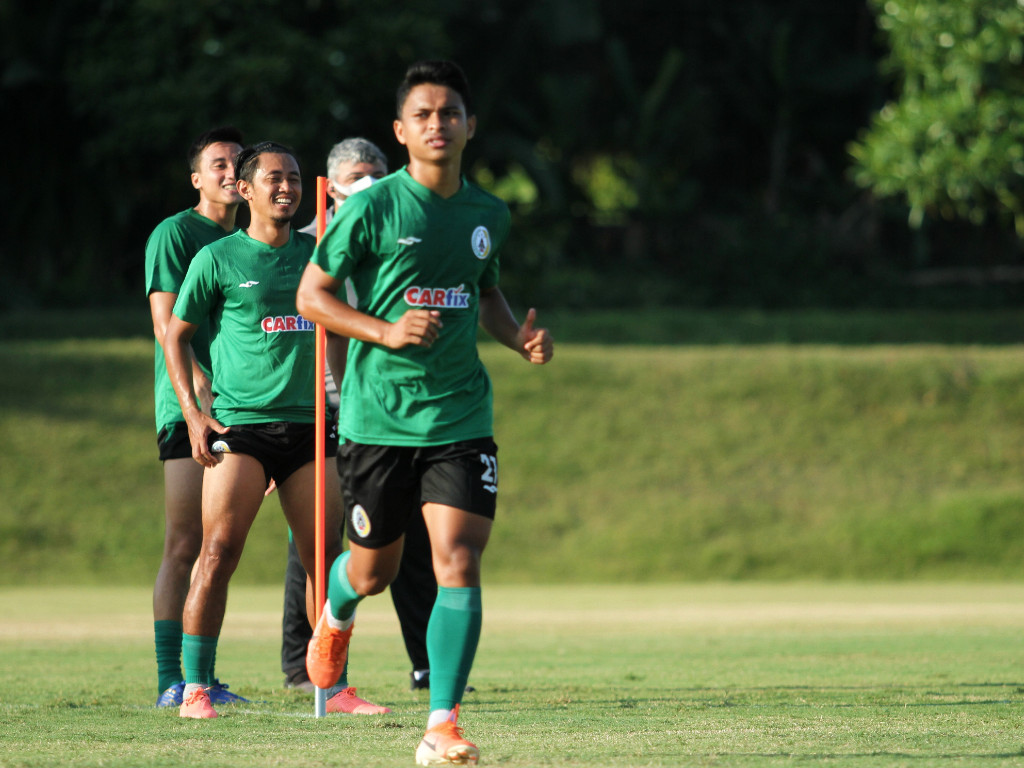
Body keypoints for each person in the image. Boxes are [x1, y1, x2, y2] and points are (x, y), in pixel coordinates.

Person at [296, 61, 553, 765]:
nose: (438, 125)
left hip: (462, 419)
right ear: (401, 131)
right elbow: (311, 298)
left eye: (450, 113)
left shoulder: (488, 215)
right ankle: (339, 610)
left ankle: (442, 723)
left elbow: (487, 293)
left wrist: (519, 338)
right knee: (374, 571)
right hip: (379, 423)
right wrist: (385, 330)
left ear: (470, 126)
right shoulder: (370, 210)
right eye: (424, 115)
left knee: (459, 562)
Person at [163, 141, 389, 719]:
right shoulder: (218, 258)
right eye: (273, 178)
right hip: (242, 429)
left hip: (314, 430)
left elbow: (336, 330)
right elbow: (176, 335)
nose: (286, 186)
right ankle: (194, 689)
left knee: (324, 559)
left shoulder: (317, 254)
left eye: (293, 177)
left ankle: (334, 689)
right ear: (245, 189)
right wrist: (194, 413)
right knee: (217, 552)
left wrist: (353, 411)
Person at [280, 137, 440, 693]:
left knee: (408, 534)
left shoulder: (403, 235)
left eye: (376, 172)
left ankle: (427, 662)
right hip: (320, 404)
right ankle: (304, 666)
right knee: (315, 538)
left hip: (386, 403)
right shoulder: (305, 243)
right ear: (332, 184)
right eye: (356, 174)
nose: (367, 183)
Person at [144, 126, 249, 709]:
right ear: (197, 178)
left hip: (242, 410)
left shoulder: (249, 241)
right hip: (188, 409)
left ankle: (202, 677)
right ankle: (170, 682)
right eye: (218, 163)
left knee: (219, 544)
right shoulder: (175, 234)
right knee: (185, 543)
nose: (231, 170)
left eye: (239, 162)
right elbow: (167, 324)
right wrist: (194, 397)